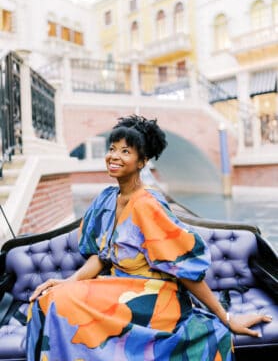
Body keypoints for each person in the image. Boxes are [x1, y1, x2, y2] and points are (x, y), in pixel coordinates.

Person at [27, 115, 272, 361]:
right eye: (112, 149)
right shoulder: (106, 199)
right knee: (48, 299)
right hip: (117, 287)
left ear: (142, 161)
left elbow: (184, 267)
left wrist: (225, 316)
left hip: (153, 295)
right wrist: (68, 281)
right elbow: (101, 257)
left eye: (125, 151)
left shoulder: (148, 206)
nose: (114, 156)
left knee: (55, 304)